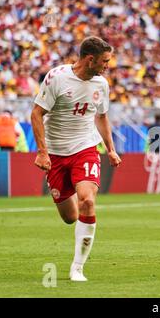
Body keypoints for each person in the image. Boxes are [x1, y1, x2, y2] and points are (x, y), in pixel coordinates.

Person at [31, 36, 121, 282]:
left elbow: (101, 117)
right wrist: (42, 151)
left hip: (85, 148)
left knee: (88, 202)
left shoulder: (101, 84)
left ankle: (77, 268)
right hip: (57, 154)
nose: (106, 66)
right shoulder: (57, 77)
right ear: (90, 59)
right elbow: (37, 114)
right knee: (70, 217)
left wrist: (110, 149)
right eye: (104, 61)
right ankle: (68, 192)